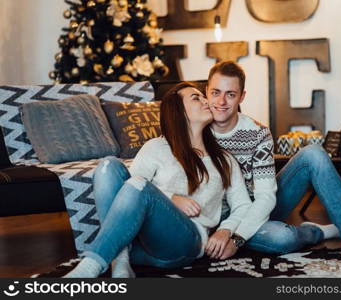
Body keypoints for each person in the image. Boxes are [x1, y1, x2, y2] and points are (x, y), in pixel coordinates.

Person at [205, 61, 341, 259]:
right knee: (281, 237)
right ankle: (318, 233)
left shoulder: (257, 133)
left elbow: (265, 197)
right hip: (213, 219)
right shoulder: (194, 129)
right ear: (206, 92)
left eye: (230, 94)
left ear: (241, 97)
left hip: (259, 213)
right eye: (215, 92)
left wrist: (236, 238)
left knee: (314, 154)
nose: (221, 101)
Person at [63, 82, 255, 278]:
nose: (206, 101)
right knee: (108, 165)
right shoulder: (156, 147)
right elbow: (130, 189)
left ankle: (89, 268)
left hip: (185, 242)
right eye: (196, 98)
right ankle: (120, 262)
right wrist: (172, 198)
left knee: (140, 185)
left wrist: (225, 230)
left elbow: (243, 206)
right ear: (178, 110)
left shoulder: (224, 159)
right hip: (141, 246)